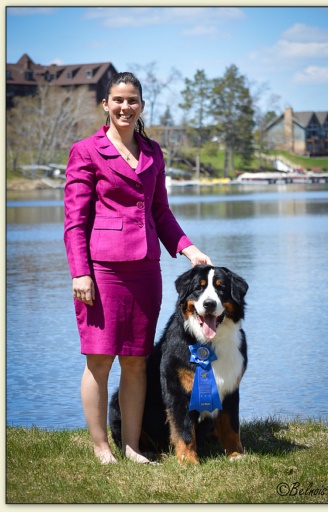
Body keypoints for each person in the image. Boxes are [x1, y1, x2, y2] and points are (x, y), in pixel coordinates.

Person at [64, 71, 212, 465]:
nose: (125, 107)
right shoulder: (86, 151)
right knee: (99, 360)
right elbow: (75, 222)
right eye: (118, 100)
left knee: (135, 360)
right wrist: (80, 272)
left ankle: (131, 447)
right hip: (101, 272)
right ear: (105, 104)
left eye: (132, 100)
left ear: (141, 106)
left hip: (146, 271)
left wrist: (187, 247)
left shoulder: (153, 152)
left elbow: (159, 212)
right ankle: (101, 448)